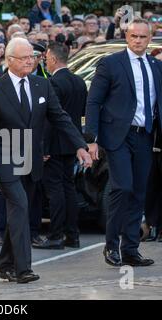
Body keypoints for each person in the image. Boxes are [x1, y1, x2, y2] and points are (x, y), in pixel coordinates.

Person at [0, 38, 92, 284]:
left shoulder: (43, 85)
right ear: (9, 60)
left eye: (33, 57)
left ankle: (6, 264)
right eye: (24, 58)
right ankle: (23, 269)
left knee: (19, 212)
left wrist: (80, 146)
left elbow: (60, 118)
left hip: (32, 160)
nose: (30, 61)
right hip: (4, 159)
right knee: (19, 205)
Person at [86, 18, 162, 267]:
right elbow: (94, 101)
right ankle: (111, 247)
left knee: (139, 192)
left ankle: (131, 249)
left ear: (150, 38)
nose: (138, 40)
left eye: (143, 36)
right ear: (126, 37)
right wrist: (92, 139)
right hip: (118, 136)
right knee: (123, 188)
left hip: (145, 135)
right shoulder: (111, 63)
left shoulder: (155, 66)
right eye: (133, 36)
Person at [38, 42, 87, 249]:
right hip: (72, 142)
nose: (45, 62)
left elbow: (51, 118)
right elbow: (82, 112)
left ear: (54, 58)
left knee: (55, 190)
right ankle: (72, 235)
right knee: (69, 188)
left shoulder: (53, 83)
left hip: (55, 144)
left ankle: (56, 235)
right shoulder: (79, 81)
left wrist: (44, 148)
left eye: (46, 58)